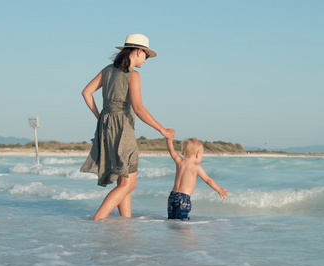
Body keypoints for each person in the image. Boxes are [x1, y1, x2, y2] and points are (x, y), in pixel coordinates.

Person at [80, 34, 175, 220]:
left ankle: (125, 223)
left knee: (123, 181)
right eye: (146, 56)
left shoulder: (107, 70)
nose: (146, 60)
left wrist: (100, 117)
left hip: (105, 127)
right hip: (123, 128)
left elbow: (86, 93)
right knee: (129, 184)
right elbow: (139, 109)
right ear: (139, 51)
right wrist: (163, 130)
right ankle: (97, 220)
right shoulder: (133, 75)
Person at [166, 137, 229, 220]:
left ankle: (173, 233)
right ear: (197, 154)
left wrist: (169, 139)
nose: (202, 157)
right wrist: (219, 189)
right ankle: (184, 233)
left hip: (172, 196)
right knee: (182, 223)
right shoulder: (196, 167)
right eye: (202, 155)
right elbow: (208, 180)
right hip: (183, 198)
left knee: (172, 220)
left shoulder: (179, 162)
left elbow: (171, 150)